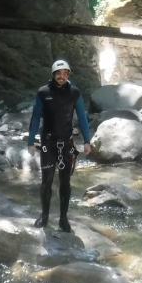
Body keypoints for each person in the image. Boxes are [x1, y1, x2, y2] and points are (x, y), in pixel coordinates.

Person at [27, 60, 93, 232]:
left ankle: (63, 219)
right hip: (48, 143)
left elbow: (82, 117)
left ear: (68, 75)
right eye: (58, 73)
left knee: (65, 182)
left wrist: (87, 140)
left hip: (66, 143)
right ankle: (44, 215)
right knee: (46, 180)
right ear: (53, 75)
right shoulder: (43, 92)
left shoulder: (74, 93)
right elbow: (35, 117)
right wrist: (30, 142)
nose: (61, 77)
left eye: (64, 74)